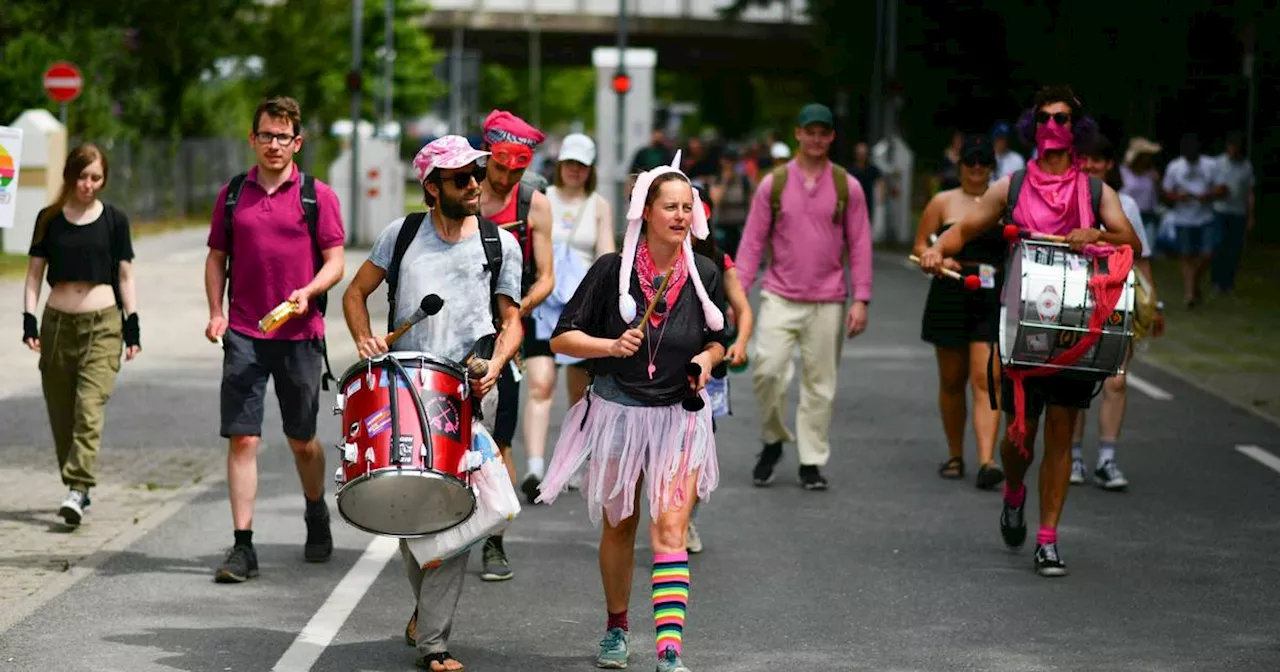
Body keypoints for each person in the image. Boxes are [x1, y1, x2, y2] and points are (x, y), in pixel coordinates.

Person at [919, 85, 1143, 577]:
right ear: (1032, 126)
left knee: (1061, 435)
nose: (1053, 127)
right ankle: (1014, 492)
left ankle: (1047, 539)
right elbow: (964, 228)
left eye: (1063, 119)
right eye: (1045, 118)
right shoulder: (1012, 187)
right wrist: (938, 249)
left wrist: (1097, 235)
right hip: (1020, 330)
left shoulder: (1095, 192)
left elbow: (1131, 241)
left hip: (1076, 331)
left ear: (1077, 130)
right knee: (1018, 440)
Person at [535, 153, 727, 672]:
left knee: (669, 530)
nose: (682, 216)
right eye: (671, 206)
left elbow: (718, 341)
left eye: (688, 207)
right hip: (619, 413)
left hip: (678, 416)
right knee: (620, 525)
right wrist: (609, 346)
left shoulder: (704, 271)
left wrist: (705, 361)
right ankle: (616, 628)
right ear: (646, 212)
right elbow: (563, 336)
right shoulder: (609, 272)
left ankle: (669, 649)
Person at [342, 134, 524, 672]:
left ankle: (434, 642)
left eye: (475, 175)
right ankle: (428, 615)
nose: (475, 185)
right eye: (461, 178)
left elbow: (511, 321)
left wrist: (495, 364)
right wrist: (365, 339)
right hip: (402, 389)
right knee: (412, 506)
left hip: (464, 391)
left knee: (464, 508)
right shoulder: (399, 237)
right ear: (431, 187)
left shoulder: (499, 245)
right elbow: (355, 294)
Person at [204, 96, 347, 583]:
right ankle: (243, 545)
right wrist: (216, 313)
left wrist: (311, 290)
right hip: (245, 331)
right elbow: (216, 258)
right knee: (243, 438)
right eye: (265, 135)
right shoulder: (231, 195)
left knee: (302, 441)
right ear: (253, 138)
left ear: (297, 142)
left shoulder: (316, 195)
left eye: (282, 137)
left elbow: (336, 261)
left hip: (300, 334)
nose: (273, 144)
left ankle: (315, 510)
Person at [734, 102, 873, 491]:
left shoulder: (848, 186)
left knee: (820, 384)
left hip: (828, 298)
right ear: (797, 133)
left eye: (823, 132)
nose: (815, 138)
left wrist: (861, 297)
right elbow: (751, 243)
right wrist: (737, 296)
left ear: (831, 137)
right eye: (809, 131)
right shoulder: (773, 184)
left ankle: (811, 461)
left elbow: (860, 243)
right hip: (779, 293)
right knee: (766, 370)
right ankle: (773, 438)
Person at [23, 144, 141, 527]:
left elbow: (124, 275)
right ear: (70, 175)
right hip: (57, 325)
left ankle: (77, 487)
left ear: (103, 180)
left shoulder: (115, 220)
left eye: (96, 178)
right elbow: (34, 275)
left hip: (103, 326)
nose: (88, 185)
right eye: (82, 176)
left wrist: (132, 323)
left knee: (89, 409)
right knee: (62, 414)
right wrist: (28, 318)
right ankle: (78, 488)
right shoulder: (49, 219)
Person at [476, 109, 553, 582]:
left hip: (507, 330)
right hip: (456, 328)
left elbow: (547, 278)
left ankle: (494, 541)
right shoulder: (460, 189)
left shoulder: (533, 204)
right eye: (500, 166)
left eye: (518, 168)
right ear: (487, 156)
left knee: (499, 438)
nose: (506, 177)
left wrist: (516, 310)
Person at [522, 133, 616, 503]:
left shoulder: (598, 205)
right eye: (569, 163)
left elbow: (606, 256)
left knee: (580, 394)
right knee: (540, 385)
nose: (574, 170)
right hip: (543, 305)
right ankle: (534, 466)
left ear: (590, 169)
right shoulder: (540, 200)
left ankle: (574, 463)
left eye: (581, 164)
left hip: (582, 310)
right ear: (560, 164)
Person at [1070, 134, 1165, 491]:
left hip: (1118, 298)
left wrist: (1152, 304)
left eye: (1099, 159)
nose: (1091, 165)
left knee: (1116, 379)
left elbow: (1141, 256)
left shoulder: (1125, 203)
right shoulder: (1066, 201)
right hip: (1074, 299)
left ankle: (1107, 460)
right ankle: (1074, 457)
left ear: (1110, 164)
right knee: (1076, 378)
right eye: (1085, 158)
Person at [911, 134, 1005, 489]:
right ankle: (955, 454)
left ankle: (986, 459)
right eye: (970, 161)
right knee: (952, 380)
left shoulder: (1003, 202)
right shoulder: (942, 201)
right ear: (959, 164)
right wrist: (934, 256)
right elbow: (921, 244)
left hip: (991, 294)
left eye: (984, 161)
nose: (977, 168)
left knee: (987, 379)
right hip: (950, 292)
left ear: (992, 166)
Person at [684, 185, 754, 554]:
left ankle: (685, 519)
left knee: (697, 444)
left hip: (708, 364)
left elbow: (742, 307)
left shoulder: (719, 258)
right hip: (659, 363)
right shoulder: (645, 253)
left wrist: (740, 342)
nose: (686, 220)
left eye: (692, 211)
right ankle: (665, 518)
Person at [1160, 132, 1220, 308]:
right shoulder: (1175, 167)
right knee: (1186, 256)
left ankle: (1194, 284)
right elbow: (1166, 192)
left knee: (1207, 254)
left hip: (1206, 217)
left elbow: (1222, 189)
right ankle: (1190, 294)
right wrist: (1179, 197)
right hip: (1183, 219)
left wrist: (1208, 195)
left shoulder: (1210, 165)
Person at [1209, 130, 1255, 295]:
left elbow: (1250, 192)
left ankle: (1228, 283)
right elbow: (1209, 185)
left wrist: (1250, 215)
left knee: (1233, 248)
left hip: (1238, 212)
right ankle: (1216, 280)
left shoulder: (1246, 166)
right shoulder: (1218, 163)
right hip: (1220, 211)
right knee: (1219, 245)